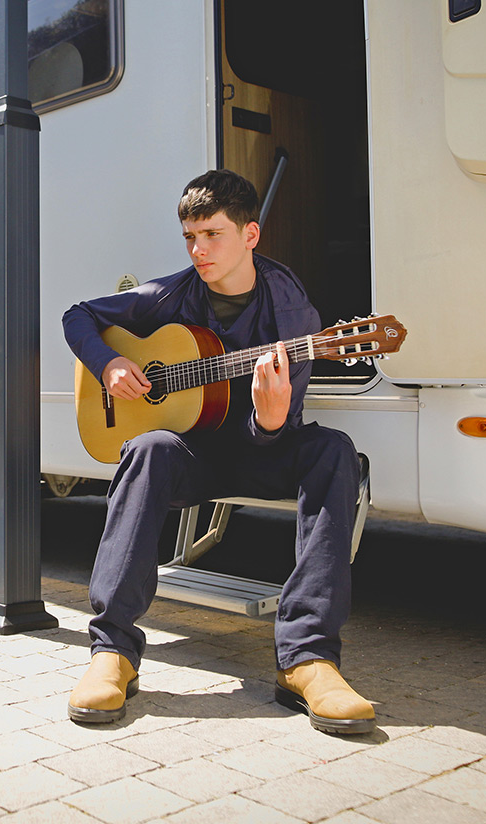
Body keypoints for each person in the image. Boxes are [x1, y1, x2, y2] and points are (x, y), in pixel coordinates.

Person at [62, 169, 374, 734]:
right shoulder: (171, 294)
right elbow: (78, 316)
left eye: (213, 235)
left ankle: (308, 660)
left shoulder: (291, 311)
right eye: (190, 237)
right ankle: (113, 652)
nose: (199, 250)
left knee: (334, 451)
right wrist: (109, 364)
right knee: (149, 447)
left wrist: (272, 420)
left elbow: (278, 425)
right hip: (195, 453)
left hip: (263, 448)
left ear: (250, 236)